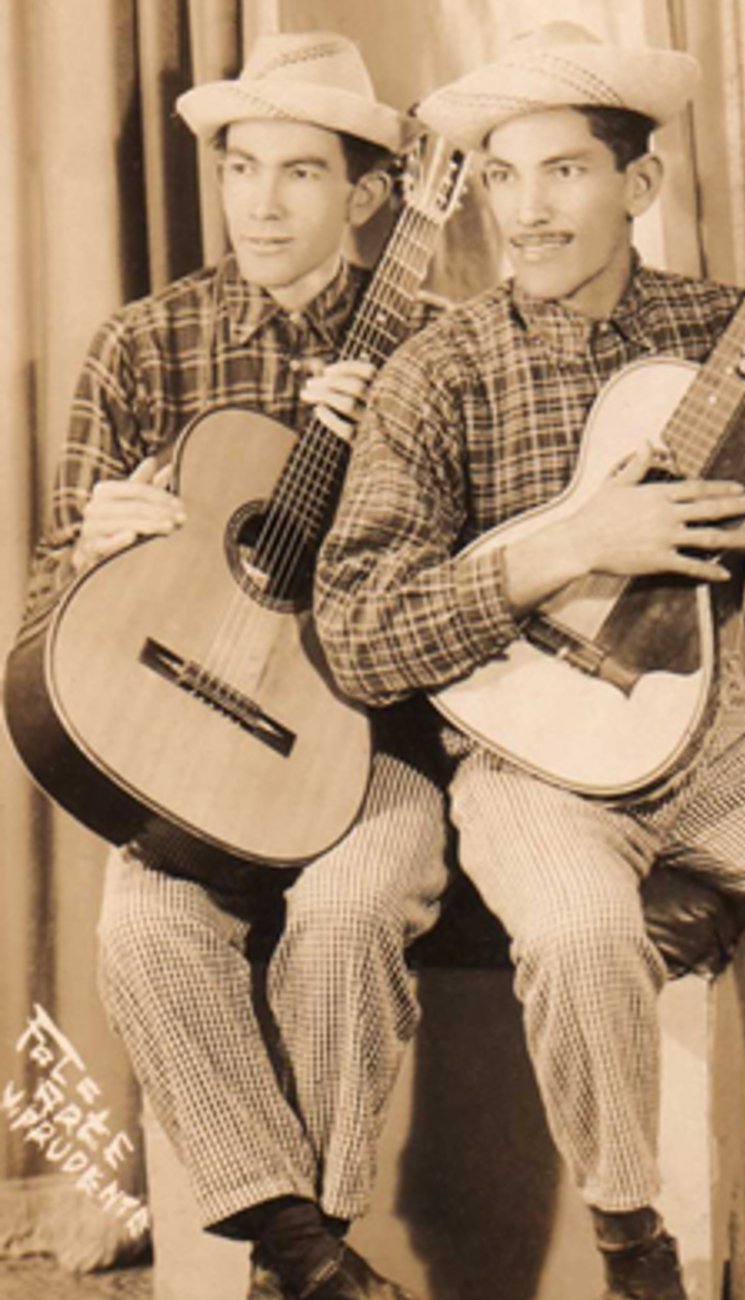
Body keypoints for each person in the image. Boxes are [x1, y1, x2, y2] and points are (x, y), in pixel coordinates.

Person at [313, 24, 745, 1300]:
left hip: (716, 742)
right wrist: (563, 549)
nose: (524, 209)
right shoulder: (433, 371)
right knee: (572, 927)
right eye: (502, 176)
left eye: (563, 171)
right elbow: (355, 630)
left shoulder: (726, 330)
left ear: (642, 187)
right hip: (527, 761)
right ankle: (635, 1253)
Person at [17, 32, 452, 1300]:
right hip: (193, 743)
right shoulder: (144, 344)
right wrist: (101, 548)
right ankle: (303, 1255)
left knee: (347, 913)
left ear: (374, 194)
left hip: (369, 745)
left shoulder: (436, 347)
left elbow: (475, 601)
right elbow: (56, 594)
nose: (260, 202)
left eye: (302, 173)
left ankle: (299, 1248)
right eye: (240, 167)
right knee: (144, 930)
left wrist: (390, 467)